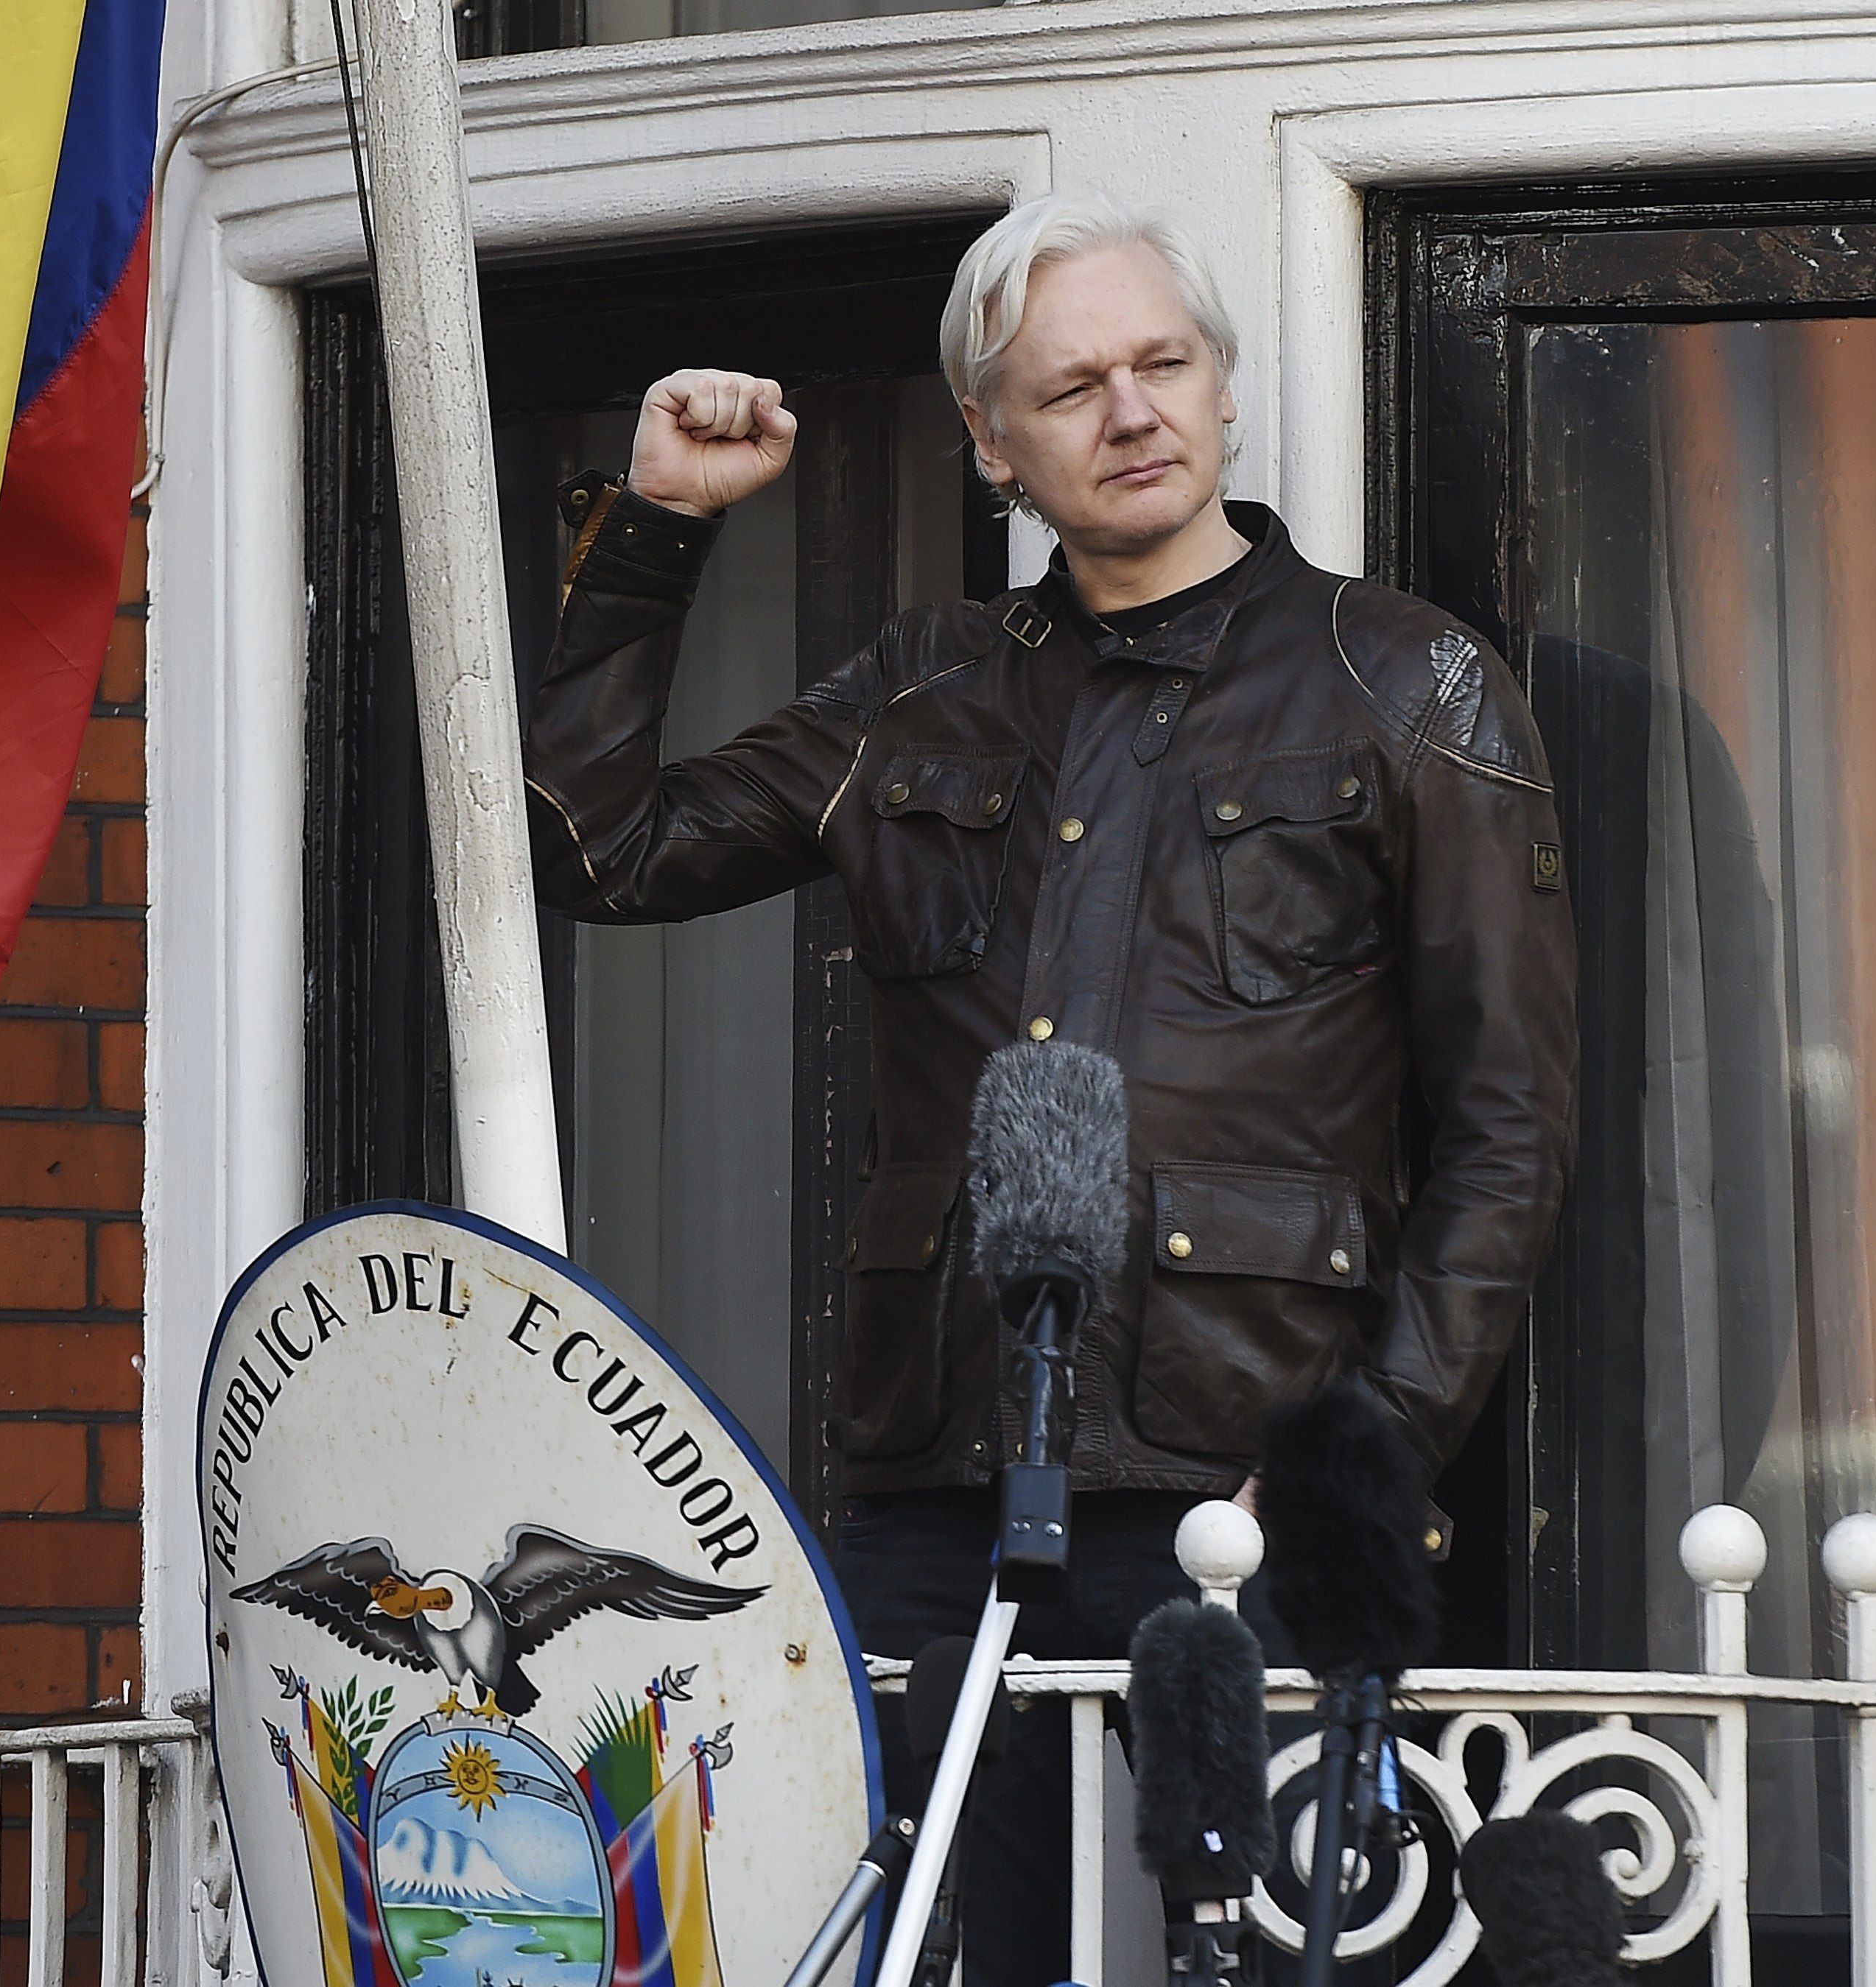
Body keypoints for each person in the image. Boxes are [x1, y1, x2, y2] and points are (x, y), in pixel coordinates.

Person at [521, 191, 1578, 1986]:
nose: (1133, 409)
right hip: (944, 1475)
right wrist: (656, 542)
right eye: (1074, 384)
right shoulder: (919, 695)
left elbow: (1510, 1122)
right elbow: (602, 848)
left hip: (1255, 1474)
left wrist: (1375, 1439)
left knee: (1280, 1953)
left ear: (1227, 392)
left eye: (1163, 363)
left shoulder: (1410, 682)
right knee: (957, 1950)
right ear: (993, 444)